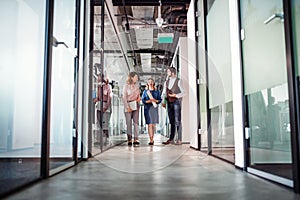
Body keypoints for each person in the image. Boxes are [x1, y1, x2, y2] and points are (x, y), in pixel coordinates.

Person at [161, 67, 185, 145]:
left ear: (173, 72)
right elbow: (164, 93)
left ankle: (179, 139)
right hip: (169, 102)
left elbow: (184, 92)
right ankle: (171, 139)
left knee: (177, 121)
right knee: (171, 121)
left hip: (176, 102)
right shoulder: (166, 82)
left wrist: (176, 95)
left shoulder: (179, 81)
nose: (167, 73)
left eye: (168, 71)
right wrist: (163, 101)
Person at [122, 72, 141, 146]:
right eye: (136, 77)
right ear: (132, 77)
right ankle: (129, 139)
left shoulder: (137, 86)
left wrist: (139, 99)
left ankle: (136, 139)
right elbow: (124, 97)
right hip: (128, 105)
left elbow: (138, 95)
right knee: (129, 123)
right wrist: (127, 107)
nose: (137, 78)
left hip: (135, 105)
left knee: (136, 123)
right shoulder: (126, 86)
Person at [142, 78, 162, 145]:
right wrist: (149, 101)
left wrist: (155, 100)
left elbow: (160, 100)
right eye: (149, 82)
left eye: (151, 82)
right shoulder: (145, 92)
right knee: (149, 124)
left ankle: (152, 138)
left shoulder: (157, 91)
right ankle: (151, 140)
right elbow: (143, 100)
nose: (150, 83)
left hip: (154, 109)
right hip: (147, 109)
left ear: (153, 83)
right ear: (147, 83)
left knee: (153, 125)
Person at [93, 74, 112, 144]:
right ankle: (99, 138)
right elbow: (98, 97)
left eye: (99, 77)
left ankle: (106, 138)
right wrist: (93, 100)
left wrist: (106, 107)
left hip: (106, 105)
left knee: (105, 123)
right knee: (99, 122)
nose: (98, 78)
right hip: (99, 105)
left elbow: (109, 98)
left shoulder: (108, 87)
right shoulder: (99, 86)